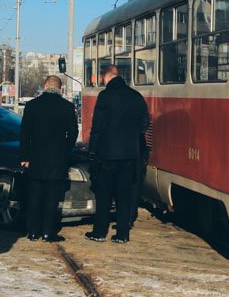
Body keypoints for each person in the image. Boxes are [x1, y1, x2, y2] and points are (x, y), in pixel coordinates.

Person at [86, 64, 150, 243]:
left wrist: (92, 151)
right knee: (124, 195)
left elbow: (97, 128)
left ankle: (99, 232)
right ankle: (122, 234)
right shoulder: (135, 96)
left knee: (104, 194)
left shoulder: (105, 96)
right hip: (129, 155)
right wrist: (132, 138)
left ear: (106, 76)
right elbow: (145, 122)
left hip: (106, 154)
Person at [19, 75, 78, 242]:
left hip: (35, 158)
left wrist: (24, 156)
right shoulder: (66, 107)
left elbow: (24, 133)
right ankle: (47, 232)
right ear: (59, 88)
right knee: (52, 197)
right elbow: (73, 132)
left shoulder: (32, 106)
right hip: (56, 159)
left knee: (34, 196)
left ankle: (32, 231)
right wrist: (65, 149)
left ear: (45, 86)